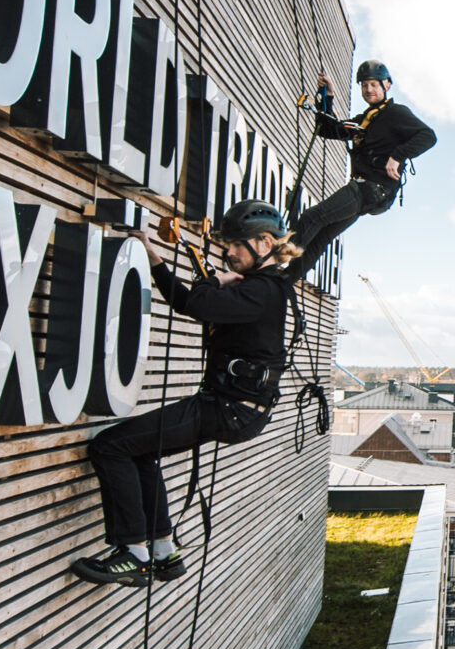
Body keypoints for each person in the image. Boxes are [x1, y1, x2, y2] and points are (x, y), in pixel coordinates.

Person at [69, 202, 297, 587]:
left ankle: (134, 554)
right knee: (141, 450)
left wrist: (218, 280)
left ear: (263, 243)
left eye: (236, 245)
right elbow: (184, 301)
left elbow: (198, 301)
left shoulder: (263, 289)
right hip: (233, 408)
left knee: (110, 446)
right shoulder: (260, 289)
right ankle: (162, 551)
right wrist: (154, 258)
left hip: (229, 408)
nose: (229, 253)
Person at [288, 59, 437, 270]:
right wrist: (328, 95)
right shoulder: (366, 119)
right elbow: (329, 129)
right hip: (366, 193)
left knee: (312, 217)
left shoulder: (395, 113)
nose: (368, 89)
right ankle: (282, 284)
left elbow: (428, 136)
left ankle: (268, 267)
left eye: (374, 84)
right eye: (364, 85)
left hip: (371, 188)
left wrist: (397, 156)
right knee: (321, 237)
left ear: (387, 85)